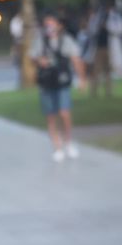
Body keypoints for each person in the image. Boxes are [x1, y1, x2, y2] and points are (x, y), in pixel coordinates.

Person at [31, 13, 87, 162]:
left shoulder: (66, 40)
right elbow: (33, 58)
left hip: (62, 82)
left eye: (51, 23)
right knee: (51, 116)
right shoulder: (40, 41)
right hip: (46, 83)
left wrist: (82, 79)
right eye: (46, 23)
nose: (49, 26)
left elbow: (76, 60)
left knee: (64, 113)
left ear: (58, 25)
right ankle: (57, 147)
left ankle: (68, 142)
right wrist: (39, 61)